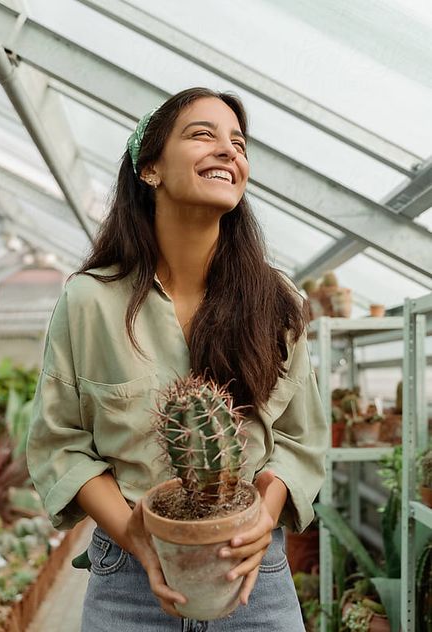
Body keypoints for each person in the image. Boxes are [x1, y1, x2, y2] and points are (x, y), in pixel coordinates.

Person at [26, 86, 328, 631]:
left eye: (237, 142)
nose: (228, 151)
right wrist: (134, 536)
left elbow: (301, 437)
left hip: (253, 579)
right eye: (202, 135)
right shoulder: (91, 301)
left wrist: (265, 510)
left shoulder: (276, 300)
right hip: (128, 584)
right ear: (149, 170)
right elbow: (59, 442)